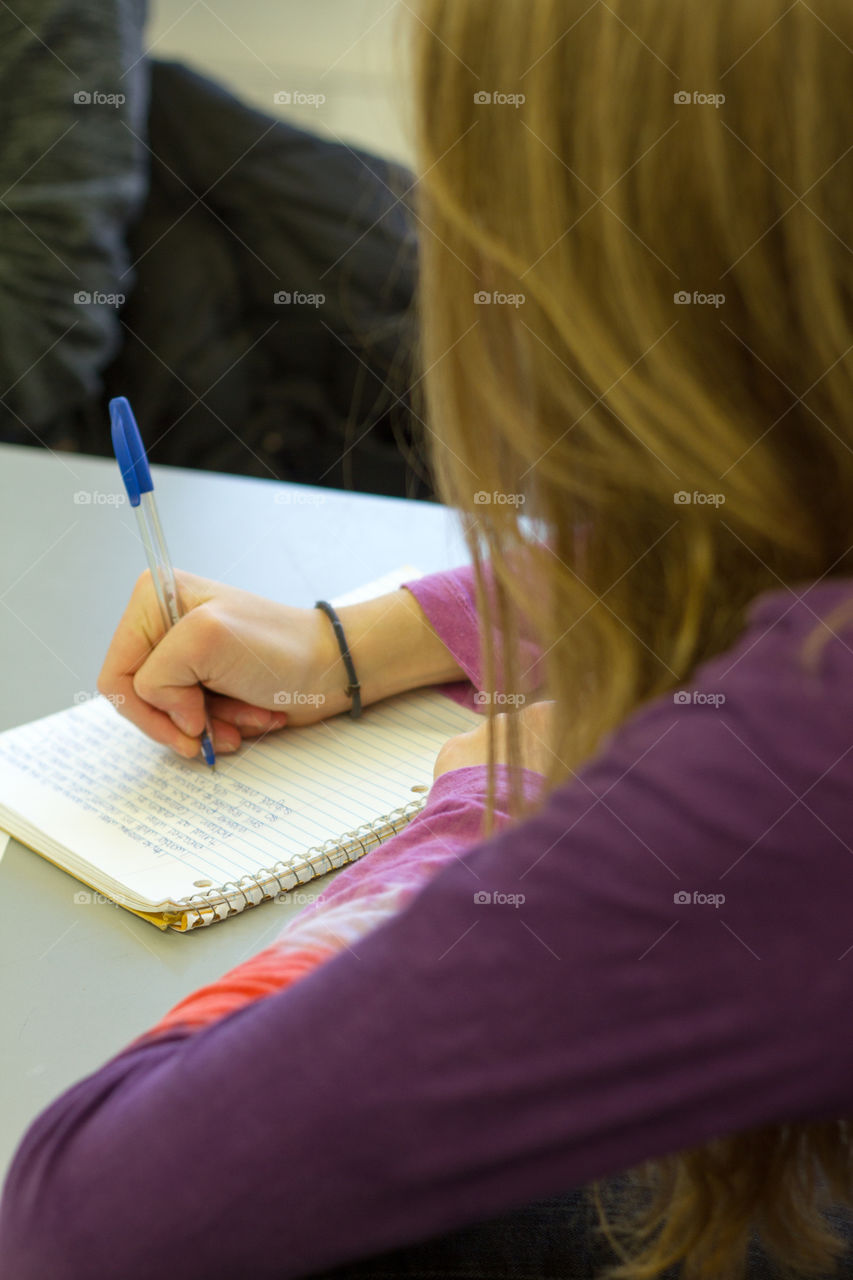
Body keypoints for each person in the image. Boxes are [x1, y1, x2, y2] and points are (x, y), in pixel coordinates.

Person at [2, 1, 853, 1278]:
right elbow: (715, 544)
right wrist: (352, 643)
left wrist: (488, 817)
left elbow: (86, 1219)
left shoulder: (796, 741)